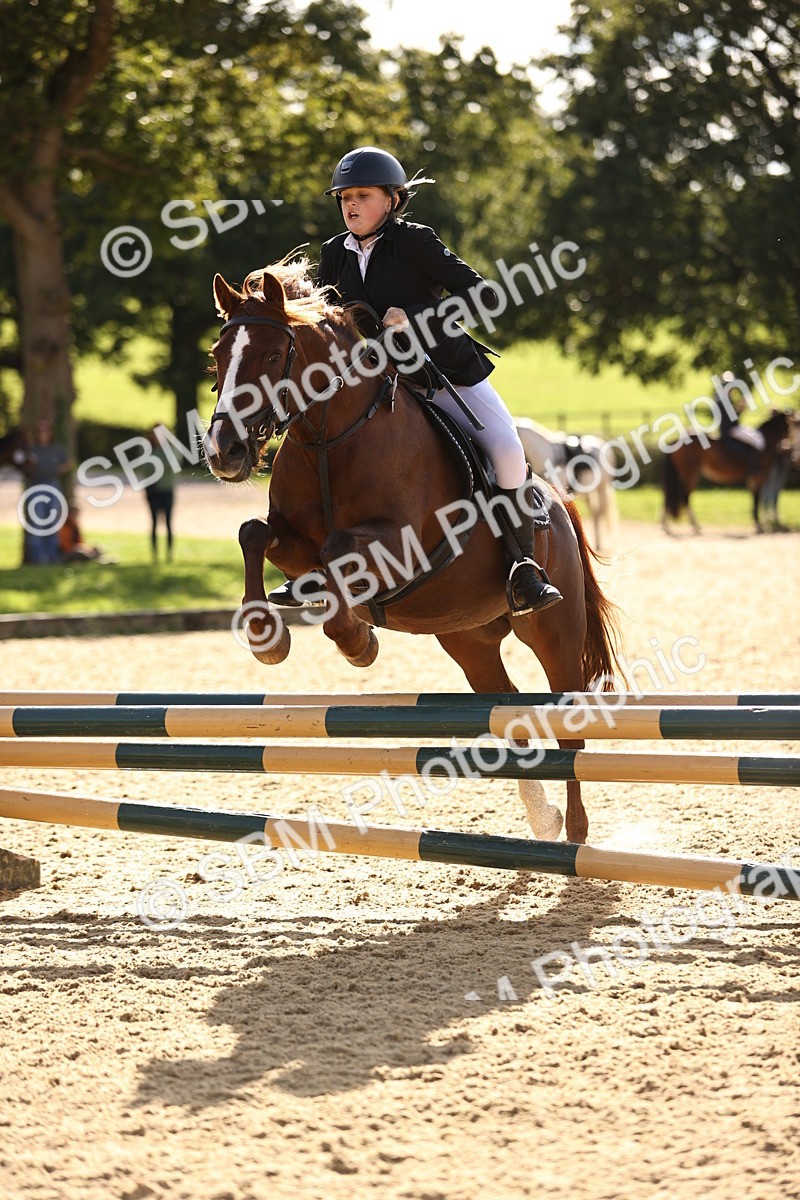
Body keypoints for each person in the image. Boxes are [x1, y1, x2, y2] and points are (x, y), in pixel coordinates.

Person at [268, 146, 562, 615]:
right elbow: (323, 321)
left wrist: (419, 317)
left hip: (447, 374)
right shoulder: (333, 254)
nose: (351, 205)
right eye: (344, 197)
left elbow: (480, 294)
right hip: (385, 380)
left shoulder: (416, 241)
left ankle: (522, 567)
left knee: (507, 449)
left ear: (391, 200)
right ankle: (314, 572)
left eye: (362, 195)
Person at [21, 417, 74, 565]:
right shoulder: (32, 450)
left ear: (51, 432)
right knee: (37, 524)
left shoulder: (56, 449)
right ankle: (39, 560)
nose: (42, 433)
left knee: (53, 524)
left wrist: (57, 471)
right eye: (39, 430)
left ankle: (53, 558)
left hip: (53, 486)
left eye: (45, 430)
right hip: (36, 487)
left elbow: (69, 462)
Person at [144, 426, 179, 562]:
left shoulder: (171, 450)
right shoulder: (147, 449)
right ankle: (155, 555)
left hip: (166, 490)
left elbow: (173, 464)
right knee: (153, 523)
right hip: (152, 490)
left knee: (169, 523)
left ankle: (169, 555)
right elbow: (144, 467)